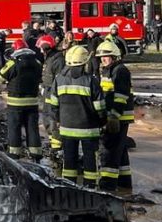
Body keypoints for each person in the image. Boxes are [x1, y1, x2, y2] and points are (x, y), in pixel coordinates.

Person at [46, 45, 106, 187]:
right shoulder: (91, 80)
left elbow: (53, 104)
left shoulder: (59, 79)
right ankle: (90, 186)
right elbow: (100, 107)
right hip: (89, 129)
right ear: (84, 62)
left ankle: (69, 185)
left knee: (69, 159)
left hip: (66, 128)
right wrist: (103, 122)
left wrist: (58, 120)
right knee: (90, 158)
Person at [95, 41, 135, 191]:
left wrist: (114, 116)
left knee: (109, 151)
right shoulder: (109, 70)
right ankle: (124, 183)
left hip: (118, 117)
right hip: (115, 116)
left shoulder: (120, 71)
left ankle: (107, 186)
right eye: (101, 57)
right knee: (120, 151)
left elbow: (120, 96)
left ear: (115, 56)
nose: (103, 59)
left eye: (106, 56)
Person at [0, 38, 43, 161]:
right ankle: (36, 154)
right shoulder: (37, 62)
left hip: (15, 103)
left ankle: (14, 154)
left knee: (14, 128)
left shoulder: (13, 63)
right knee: (32, 128)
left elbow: (0, 78)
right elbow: (41, 77)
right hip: (32, 102)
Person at [37, 34, 64, 156]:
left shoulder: (57, 60)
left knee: (54, 120)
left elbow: (58, 80)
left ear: (46, 47)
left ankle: (57, 147)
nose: (40, 51)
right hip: (47, 92)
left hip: (53, 94)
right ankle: (52, 142)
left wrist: (54, 94)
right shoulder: (49, 58)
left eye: (41, 48)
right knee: (46, 118)